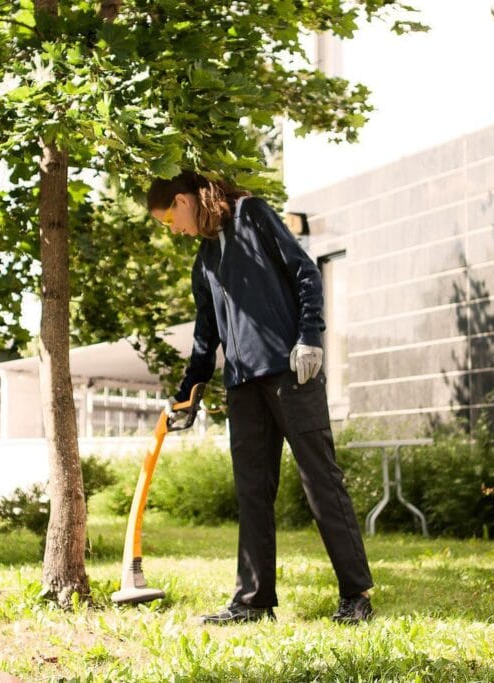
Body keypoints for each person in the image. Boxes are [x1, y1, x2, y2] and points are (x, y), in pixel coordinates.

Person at [147, 170, 373, 625]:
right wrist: (187, 396)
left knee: (320, 481)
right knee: (252, 490)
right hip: (242, 384)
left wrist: (310, 335)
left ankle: (356, 595)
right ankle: (252, 601)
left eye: (170, 218)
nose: (172, 229)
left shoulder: (251, 215)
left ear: (185, 200)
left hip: (291, 369)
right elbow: (205, 335)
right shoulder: (206, 258)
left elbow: (305, 271)